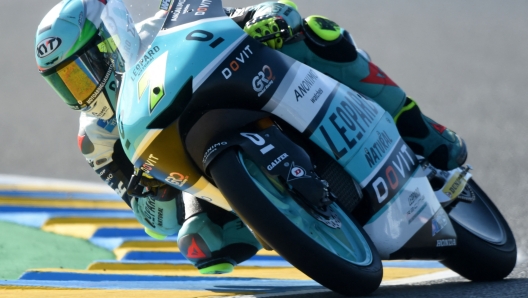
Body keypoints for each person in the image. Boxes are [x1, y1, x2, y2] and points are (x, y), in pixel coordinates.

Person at [35, 0, 466, 274]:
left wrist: (265, 17)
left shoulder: (157, 30)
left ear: (111, 41)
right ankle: (294, 220)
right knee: (199, 243)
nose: (82, 89)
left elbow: (233, 19)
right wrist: (148, 187)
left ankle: (422, 130)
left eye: (82, 68)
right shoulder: (97, 140)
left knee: (311, 29)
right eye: (65, 82)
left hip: (250, 89)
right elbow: (158, 225)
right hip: (199, 176)